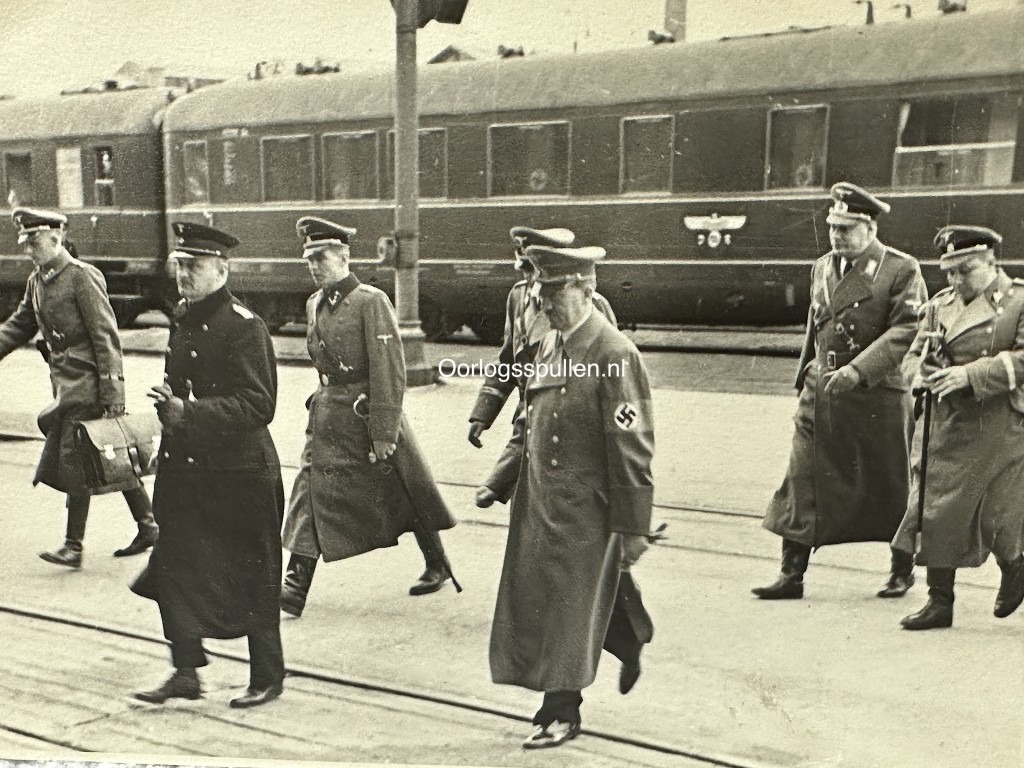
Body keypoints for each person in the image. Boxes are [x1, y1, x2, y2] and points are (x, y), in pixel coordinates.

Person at [489, 244, 655, 750]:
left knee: (563, 609)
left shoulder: (614, 354)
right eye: (540, 292)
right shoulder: (548, 346)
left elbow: (633, 448)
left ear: (587, 289)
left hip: (586, 510)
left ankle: (560, 711)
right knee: (547, 602)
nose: (543, 303)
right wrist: (501, 479)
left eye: (555, 292)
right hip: (539, 505)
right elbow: (529, 421)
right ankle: (627, 636)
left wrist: (632, 527)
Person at [130, 222, 285, 708]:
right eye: (180, 265)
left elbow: (260, 406)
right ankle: (185, 673)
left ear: (222, 268)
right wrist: (168, 415)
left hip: (240, 475)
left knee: (252, 574)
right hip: (189, 468)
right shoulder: (185, 316)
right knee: (173, 565)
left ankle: (267, 675)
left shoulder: (244, 326)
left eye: (193, 266)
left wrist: (188, 412)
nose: (183, 274)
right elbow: (178, 384)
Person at [755, 182, 928, 600]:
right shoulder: (822, 266)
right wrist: (805, 377)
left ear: (869, 228)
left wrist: (859, 369)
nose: (837, 236)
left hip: (876, 394)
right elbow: (816, 327)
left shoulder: (900, 269)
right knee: (802, 478)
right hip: (823, 390)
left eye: (847, 229)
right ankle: (791, 574)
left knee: (890, 484)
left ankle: (901, 569)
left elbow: (909, 328)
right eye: (833, 227)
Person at [279, 217, 457, 617]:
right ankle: (295, 584)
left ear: (343, 257)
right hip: (327, 416)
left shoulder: (370, 301)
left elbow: (390, 369)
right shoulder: (313, 303)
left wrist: (383, 430)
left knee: (403, 490)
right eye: (309, 258)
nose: (313, 265)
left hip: (363, 415)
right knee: (310, 488)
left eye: (321, 257)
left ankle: (437, 561)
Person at [0, 207, 156, 568]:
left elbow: (106, 338)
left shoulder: (82, 277)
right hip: (64, 381)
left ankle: (74, 545)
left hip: (86, 382)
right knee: (100, 453)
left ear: (56, 238)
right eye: (26, 243)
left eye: (34, 241)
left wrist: (114, 394)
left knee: (77, 455)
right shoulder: (37, 281)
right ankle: (149, 527)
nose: (28, 249)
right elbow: (18, 326)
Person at [893, 225, 1024, 630]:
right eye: (949, 272)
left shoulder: (1018, 301)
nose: (954, 281)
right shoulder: (939, 305)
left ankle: (1016, 565)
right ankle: (939, 601)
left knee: (995, 511)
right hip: (944, 421)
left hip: (998, 423)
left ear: (991, 262)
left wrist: (971, 375)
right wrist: (919, 375)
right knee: (933, 509)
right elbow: (914, 352)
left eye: (964, 271)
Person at [470, 225, 616, 505]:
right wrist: (483, 412)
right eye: (523, 270)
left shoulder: (587, 308)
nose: (527, 278)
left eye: (532, 270)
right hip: (528, 426)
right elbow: (508, 359)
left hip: (562, 428)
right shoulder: (517, 296)